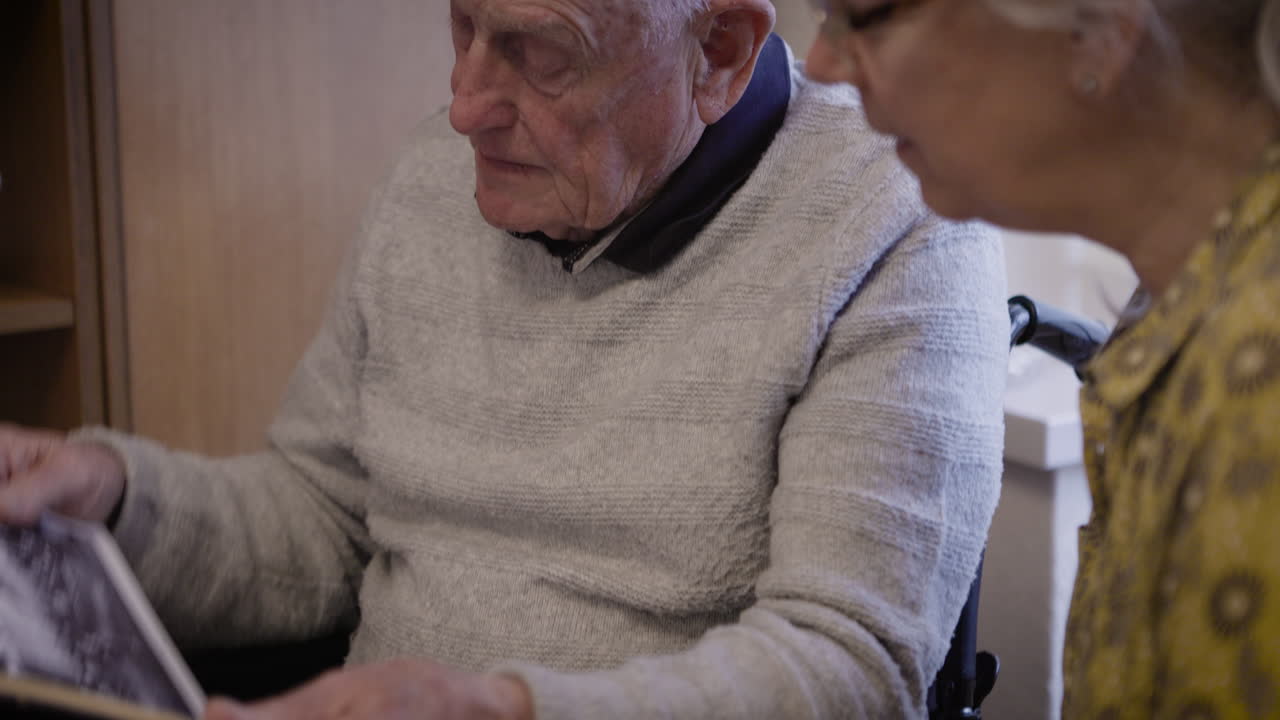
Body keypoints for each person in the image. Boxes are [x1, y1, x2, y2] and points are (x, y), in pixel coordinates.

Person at [0, 0, 1011, 717]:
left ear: (719, 50)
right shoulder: (433, 179)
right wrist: (117, 496)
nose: (464, 104)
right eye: (462, 23)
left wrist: (503, 706)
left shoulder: (900, 226)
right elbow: (317, 517)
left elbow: (847, 669)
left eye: (538, 50)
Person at [804, 0, 1280, 717]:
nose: (821, 63)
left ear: (1102, 31)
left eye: (864, 15)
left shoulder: (1256, 394)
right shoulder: (1181, 308)